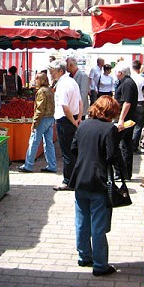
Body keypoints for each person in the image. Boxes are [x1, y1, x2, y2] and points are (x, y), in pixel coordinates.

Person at [69, 95, 120, 277]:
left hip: (80, 178)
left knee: (82, 220)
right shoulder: (109, 129)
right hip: (99, 181)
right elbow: (111, 156)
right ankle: (100, 265)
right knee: (98, 224)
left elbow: (73, 149)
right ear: (111, 112)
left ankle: (84, 256)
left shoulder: (82, 125)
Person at [49, 60, 82, 191]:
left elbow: (65, 107)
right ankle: (75, 179)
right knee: (73, 151)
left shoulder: (63, 84)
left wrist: (74, 121)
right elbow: (80, 101)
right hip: (73, 118)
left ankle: (68, 181)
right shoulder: (72, 81)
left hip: (65, 119)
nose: (51, 74)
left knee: (67, 152)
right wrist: (78, 118)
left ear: (60, 71)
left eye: (53, 71)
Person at [18, 72, 56, 173]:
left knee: (34, 142)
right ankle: (52, 165)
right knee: (48, 143)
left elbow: (40, 109)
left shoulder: (41, 91)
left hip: (42, 119)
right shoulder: (50, 90)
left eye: (36, 79)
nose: (35, 81)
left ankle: (28, 165)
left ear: (41, 80)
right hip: (50, 118)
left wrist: (35, 122)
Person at [113, 65, 138, 180]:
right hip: (128, 117)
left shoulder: (127, 83)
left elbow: (127, 103)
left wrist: (121, 119)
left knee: (121, 145)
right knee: (126, 145)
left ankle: (122, 172)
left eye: (116, 72)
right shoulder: (126, 82)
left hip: (126, 118)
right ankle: (125, 173)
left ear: (121, 72)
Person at [130, 60, 144, 151]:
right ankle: (134, 146)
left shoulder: (128, 78)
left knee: (129, 124)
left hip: (129, 103)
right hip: (140, 103)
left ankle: (128, 143)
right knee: (138, 125)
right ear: (139, 68)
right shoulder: (143, 80)